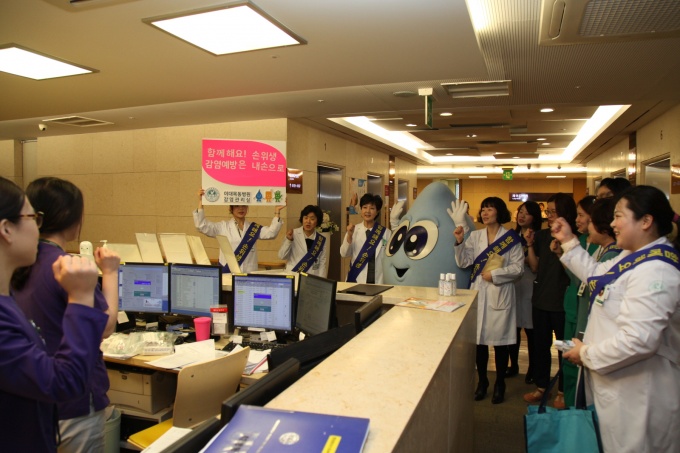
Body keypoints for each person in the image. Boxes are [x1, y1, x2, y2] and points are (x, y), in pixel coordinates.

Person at [554, 186, 680, 452]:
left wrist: (585, 354)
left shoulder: (656, 271)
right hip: (618, 386)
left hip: (640, 394)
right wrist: (568, 241)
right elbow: (597, 275)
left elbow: (638, 341)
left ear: (645, 221)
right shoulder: (633, 256)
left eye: (619, 216)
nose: (612, 224)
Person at [11, 177, 120, 452]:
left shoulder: (17, 266)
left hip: (34, 401)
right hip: (74, 404)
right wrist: (110, 272)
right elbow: (105, 326)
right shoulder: (68, 268)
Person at [454, 197, 524, 404]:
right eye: (483, 209)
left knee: (500, 344)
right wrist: (459, 242)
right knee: (480, 343)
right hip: (479, 292)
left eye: (489, 209)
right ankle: (482, 381)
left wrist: (495, 275)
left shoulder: (510, 239)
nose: (485, 213)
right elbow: (464, 262)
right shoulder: (475, 236)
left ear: (499, 212)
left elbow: (518, 269)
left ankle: (500, 383)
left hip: (500, 293)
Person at [523, 193, 576, 407]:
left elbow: (575, 272)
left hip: (562, 304)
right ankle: (542, 386)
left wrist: (559, 253)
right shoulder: (543, 235)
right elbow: (535, 267)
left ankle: (563, 390)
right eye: (549, 211)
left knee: (564, 348)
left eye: (554, 211)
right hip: (541, 300)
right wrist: (529, 245)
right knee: (540, 346)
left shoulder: (573, 238)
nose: (550, 215)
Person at [560, 195, 598, 408]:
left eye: (582, 215)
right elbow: (576, 275)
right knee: (568, 358)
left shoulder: (611, 250)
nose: (577, 220)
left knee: (581, 364)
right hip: (573, 307)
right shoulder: (581, 241)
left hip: (586, 314)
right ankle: (569, 406)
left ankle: (577, 409)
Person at [194, 189, 285, 272]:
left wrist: (277, 211)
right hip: (228, 273)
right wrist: (201, 202)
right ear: (231, 209)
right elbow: (201, 226)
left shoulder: (253, 228)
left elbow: (271, 233)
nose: (241, 208)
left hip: (248, 273)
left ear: (247, 208)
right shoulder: (223, 227)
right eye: (237, 206)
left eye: (243, 206)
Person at [507, 201, 542, 384]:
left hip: (530, 286)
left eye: (526, 213)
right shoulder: (511, 237)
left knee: (531, 330)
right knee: (513, 328)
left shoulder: (539, 237)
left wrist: (523, 257)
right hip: (513, 286)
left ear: (534, 217)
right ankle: (513, 365)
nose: (521, 215)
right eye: (520, 211)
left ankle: (533, 368)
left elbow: (536, 265)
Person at [340, 193, 391, 284]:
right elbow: (344, 254)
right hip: (357, 279)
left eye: (372, 208)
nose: (368, 211)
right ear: (361, 209)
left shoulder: (386, 233)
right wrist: (349, 235)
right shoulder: (354, 230)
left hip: (378, 280)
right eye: (365, 207)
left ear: (377, 211)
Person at [278, 205, 328, 277]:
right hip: (294, 276)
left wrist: (322, 281)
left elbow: (322, 263)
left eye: (312, 219)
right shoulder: (293, 234)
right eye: (306, 218)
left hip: (312, 277)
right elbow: (282, 256)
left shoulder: (320, 239)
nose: (308, 221)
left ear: (317, 221)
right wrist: (289, 240)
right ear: (302, 219)